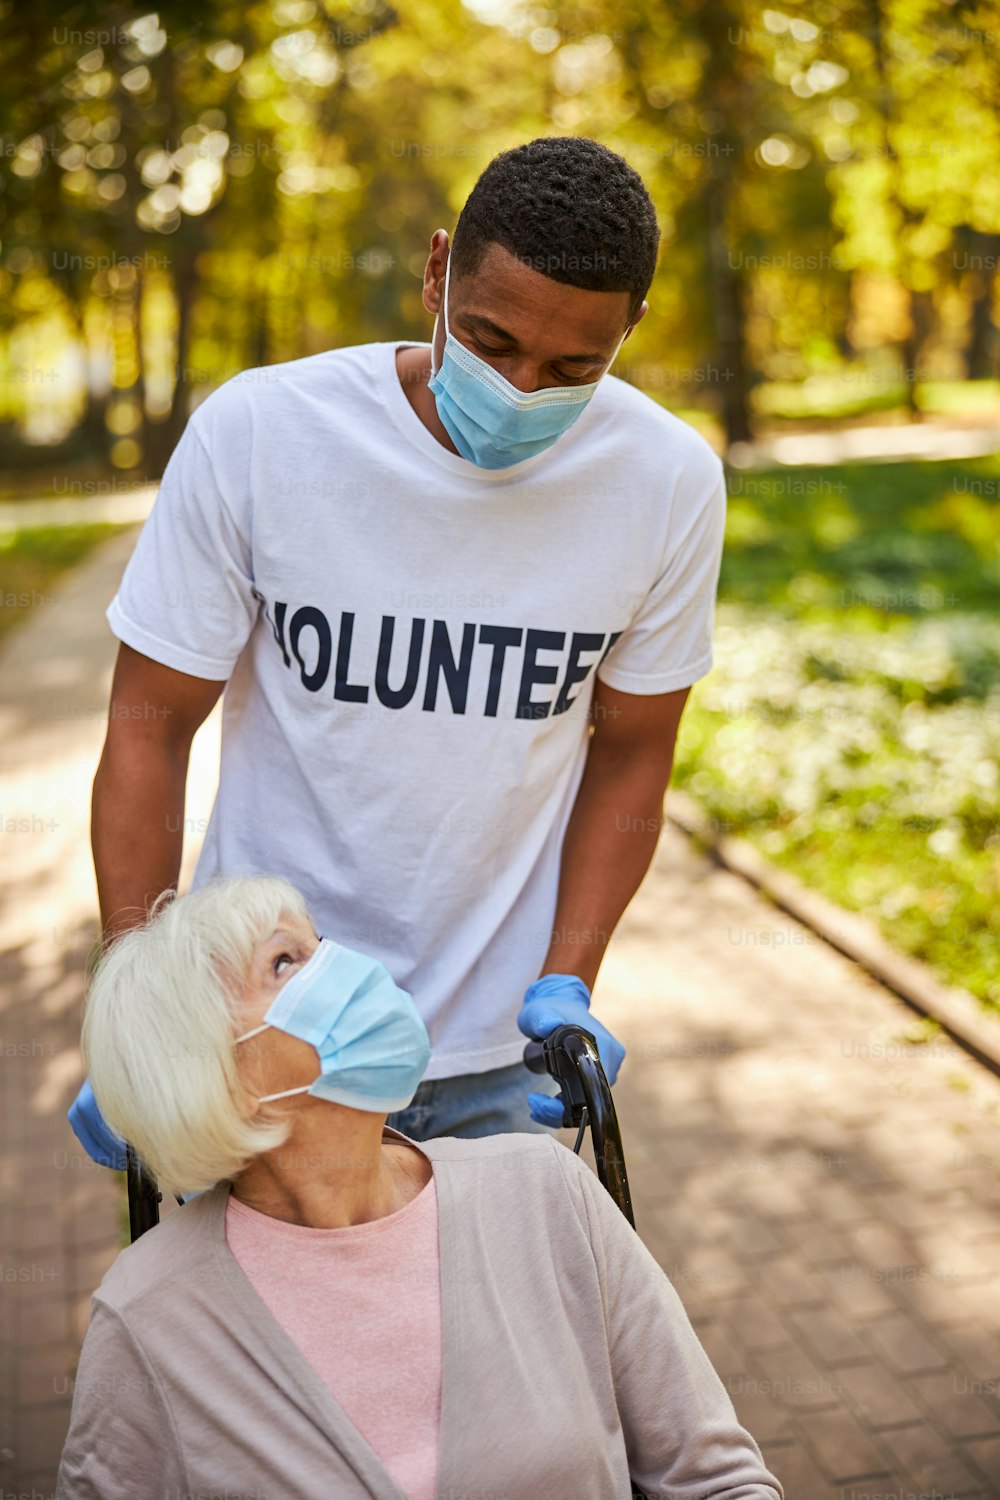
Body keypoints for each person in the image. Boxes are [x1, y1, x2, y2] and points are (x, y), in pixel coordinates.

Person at [69, 134, 727, 1158]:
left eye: (571, 368)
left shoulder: (667, 481)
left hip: (501, 1061)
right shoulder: (260, 434)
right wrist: (135, 1002)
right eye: (491, 340)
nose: (518, 390)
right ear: (435, 273)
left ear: (630, 328)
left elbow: (635, 750)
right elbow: (148, 728)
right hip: (255, 1041)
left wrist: (571, 978)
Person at [57, 875, 782, 1500]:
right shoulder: (150, 1317)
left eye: (319, 944)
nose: (344, 969)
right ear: (219, 1076)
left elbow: (714, 1479)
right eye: (286, 962)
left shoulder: (544, 1195)